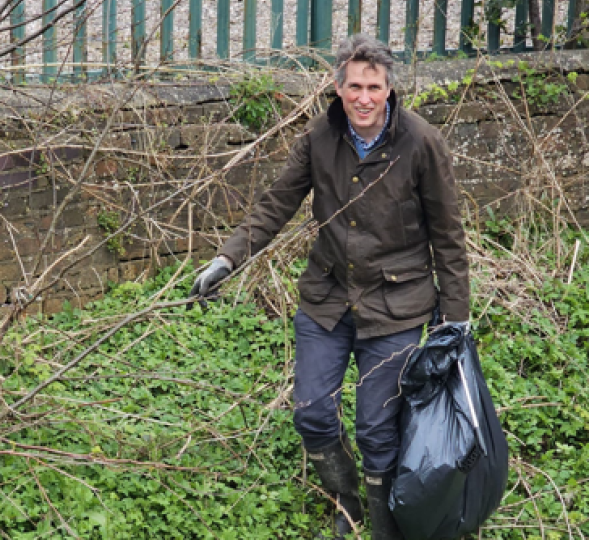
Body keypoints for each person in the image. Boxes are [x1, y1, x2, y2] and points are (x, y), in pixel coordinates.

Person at [190, 33, 470, 539]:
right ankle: (346, 498)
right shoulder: (319, 138)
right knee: (313, 415)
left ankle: (384, 522)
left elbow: (448, 234)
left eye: (375, 87)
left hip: (397, 307)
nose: (364, 97)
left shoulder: (420, 142)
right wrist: (226, 260)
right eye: (355, 86)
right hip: (328, 299)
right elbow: (275, 204)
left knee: (376, 430)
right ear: (337, 87)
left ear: (389, 90)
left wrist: (457, 315)